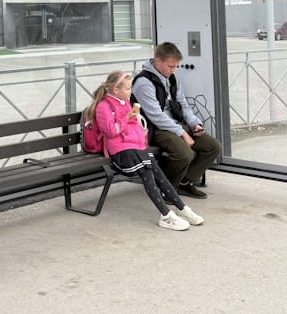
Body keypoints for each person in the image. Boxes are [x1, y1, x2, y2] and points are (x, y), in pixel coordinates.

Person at [84, 71, 204, 231]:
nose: (131, 92)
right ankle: (166, 215)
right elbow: (111, 132)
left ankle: (181, 208)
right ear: (115, 90)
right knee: (147, 173)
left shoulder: (125, 102)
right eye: (128, 89)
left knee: (157, 172)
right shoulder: (103, 106)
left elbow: (133, 126)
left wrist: (138, 126)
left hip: (135, 147)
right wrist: (127, 117)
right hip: (120, 151)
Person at [133, 42, 222, 200]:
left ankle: (185, 181)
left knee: (212, 146)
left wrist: (194, 123)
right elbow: (156, 116)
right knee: (184, 153)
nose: (173, 70)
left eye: (175, 66)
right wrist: (181, 132)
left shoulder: (172, 79)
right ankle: (167, 189)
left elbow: (183, 105)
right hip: (156, 128)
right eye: (170, 66)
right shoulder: (143, 83)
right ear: (158, 61)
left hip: (175, 124)